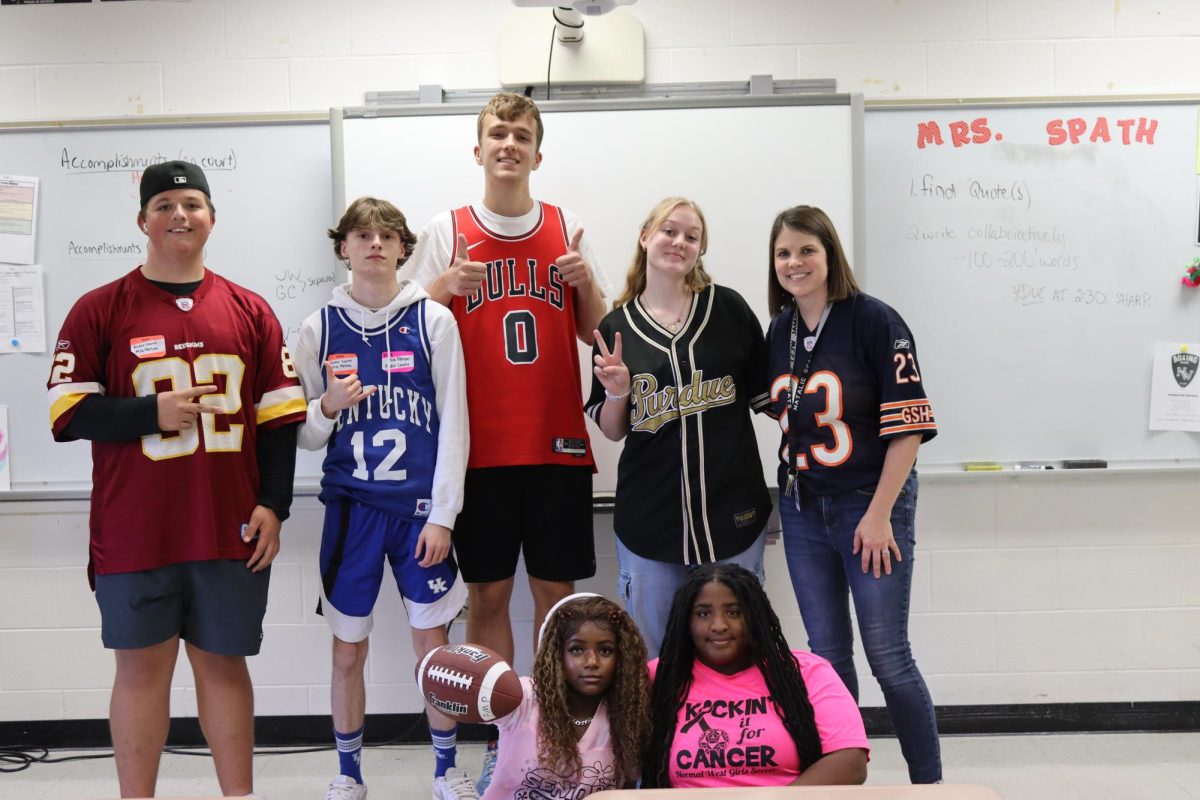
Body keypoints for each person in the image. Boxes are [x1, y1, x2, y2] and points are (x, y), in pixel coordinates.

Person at [46, 160, 306, 798]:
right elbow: (65, 412)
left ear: (212, 217)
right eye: (163, 204)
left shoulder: (251, 309)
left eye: (191, 202)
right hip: (137, 531)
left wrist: (275, 503)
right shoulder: (99, 307)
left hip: (229, 526)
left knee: (224, 667)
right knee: (140, 672)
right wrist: (148, 412)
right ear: (142, 221)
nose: (179, 214)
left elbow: (278, 419)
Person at [400, 91, 611, 792]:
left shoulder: (567, 225)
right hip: (478, 452)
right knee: (486, 600)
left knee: (559, 599)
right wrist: (439, 286)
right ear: (479, 148)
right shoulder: (446, 229)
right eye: (498, 133)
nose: (509, 144)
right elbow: (404, 329)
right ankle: (505, 739)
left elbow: (600, 336)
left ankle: (561, 737)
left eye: (522, 135)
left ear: (538, 152)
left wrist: (588, 291)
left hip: (556, 446)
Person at [293, 197, 474, 800]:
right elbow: (306, 436)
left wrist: (445, 515)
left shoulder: (433, 321)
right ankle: (348, 775)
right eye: (361, 235)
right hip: (352, 513)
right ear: (342, 247)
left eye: (387, 235)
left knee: (434, 648)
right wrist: (326, 407)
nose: (374, 244)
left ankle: (446, 769)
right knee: (349, 649)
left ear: (403, 247)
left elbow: (456, 426)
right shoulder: (319, 326)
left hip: (420, 513)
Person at [763, 205, 941, 783]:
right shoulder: (779, 329)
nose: (795, 263)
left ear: (830, 254)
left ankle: (930, 785)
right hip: (802, 506)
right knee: (826, 657)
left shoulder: (874, 320)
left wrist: (881, 513)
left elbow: (909, 428)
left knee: (889, 655)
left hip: (869, 504)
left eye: (807, 250)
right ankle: (841, 782)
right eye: (784, 252)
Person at [585, 196, 771, 658]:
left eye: (692, 236)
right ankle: (663, 734)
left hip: (733, 511)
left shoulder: (727, 309)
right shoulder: (615, 326)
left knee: (737, 649)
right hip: (651, 517)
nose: (679, 242)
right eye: (670, 230)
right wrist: (618, 392)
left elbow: (772, 399)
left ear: (700, 250)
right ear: (645, 237)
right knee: (656, 657)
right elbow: (612, 429)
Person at [643, 563, 868, 788]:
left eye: (733, 612)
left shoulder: (806, 671)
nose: (719, 625)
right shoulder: (659, 677)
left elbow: (850, 762)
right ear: (685, 622)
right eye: (703, 614)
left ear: (754, 617)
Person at [482, 593, 651, 799]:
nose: (591, 662)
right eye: (577, 649)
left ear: (622, 657)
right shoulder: (523, 697)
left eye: (605, 651)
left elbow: (628, 789)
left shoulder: (628, 714)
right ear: (556, 654)